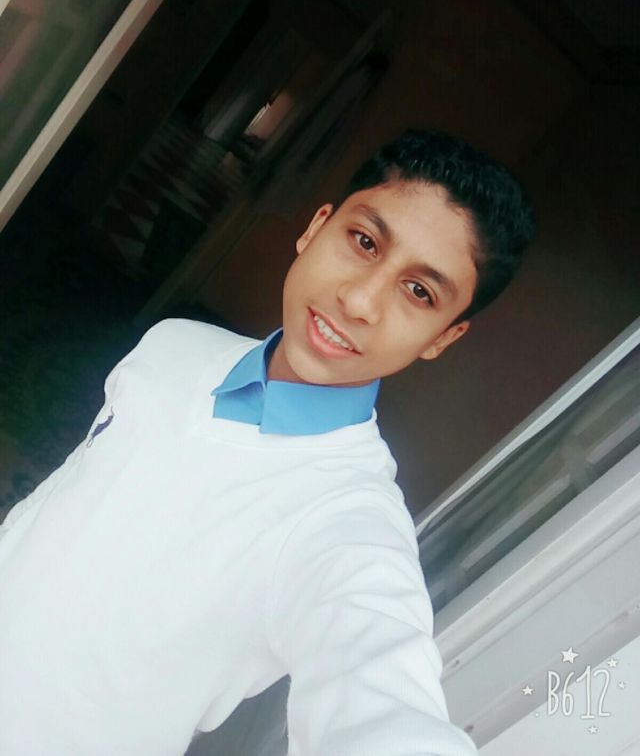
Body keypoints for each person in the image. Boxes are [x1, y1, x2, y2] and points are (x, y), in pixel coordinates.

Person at [0, 128, 535, 755]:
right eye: (364, 242)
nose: (360, 300)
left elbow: (379, 699)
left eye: (419, 292)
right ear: (316, 228)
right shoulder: (175, 344)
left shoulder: (349, 528)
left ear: (442, 337)